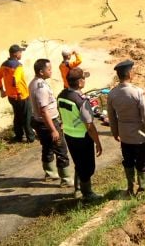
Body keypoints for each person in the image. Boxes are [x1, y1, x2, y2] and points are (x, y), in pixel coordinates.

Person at [107, 59, 145, 197]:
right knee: (142, 161)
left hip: (125, 135)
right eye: (133, 70)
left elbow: (112, 117)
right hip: (140, 136)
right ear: (130, 73)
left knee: (128, 161)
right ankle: (141, 188)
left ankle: (130, 188)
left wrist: (115, 132)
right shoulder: (137, 93)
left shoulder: (112, 94)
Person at [57, 67, 103, 201]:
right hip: (83, 138)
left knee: (78, 162)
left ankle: (78, 189)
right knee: (88, 167)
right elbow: (89, 126)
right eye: (84, 78)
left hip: (69, 136)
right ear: (80, 82)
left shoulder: (61, 95)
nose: (85, 81)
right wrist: (98, 142)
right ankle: (87, 193)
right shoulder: (81, 101)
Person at [29, 58, 73, 187]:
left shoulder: (34, 82)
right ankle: (65, 179)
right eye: (49, 69)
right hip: (48, 123)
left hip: (40, 122)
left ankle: (50, 173)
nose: (51, 71)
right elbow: (44, 111)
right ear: (41, 72)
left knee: (47, 147)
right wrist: (53, 129)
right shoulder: (41, 88)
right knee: (61, 150)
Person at [0, 44, 35, 143]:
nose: (21, 54)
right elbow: (15, 80)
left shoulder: (4, 65)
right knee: (27, 116)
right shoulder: (18, 66)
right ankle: (31, 137)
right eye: (20, 52)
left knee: (18, 115)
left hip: (11, 97)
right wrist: (19, 93)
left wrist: (2, 90)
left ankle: (19, 136)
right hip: (21, 96)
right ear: (16, 54)